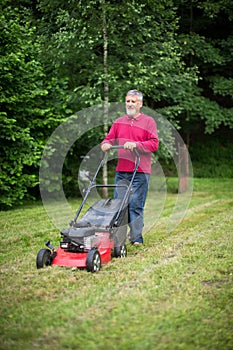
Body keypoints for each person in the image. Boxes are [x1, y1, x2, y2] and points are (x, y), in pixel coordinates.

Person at [101, 90, 159, 245]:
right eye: (128, 101)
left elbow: (154, 144)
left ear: (140, 104)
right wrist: (105, 144)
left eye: (133, 101)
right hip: (122, 171)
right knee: (119, 206)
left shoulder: (148, 122)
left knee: (135, 205)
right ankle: (118, 239)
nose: (130, 104)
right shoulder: (119, 122)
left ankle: (136, 238)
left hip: (140, 171)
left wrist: (136, 145)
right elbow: (109, 138)